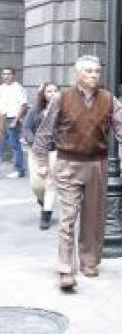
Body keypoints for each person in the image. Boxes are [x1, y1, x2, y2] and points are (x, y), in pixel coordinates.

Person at [31, 56, 122, 292]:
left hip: (97, 165)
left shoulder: (109, 100)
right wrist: (40, 160)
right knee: (68, 217)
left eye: (97, 71)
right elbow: (45, 130)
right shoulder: (62, 98)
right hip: (68, 163)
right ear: (77, 74)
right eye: (88, 71)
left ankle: (90, 261)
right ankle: (66, 268)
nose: (94, 75)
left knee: (93, 217)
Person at [22, 81, 60, 230]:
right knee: (36, 184)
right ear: (43, 94)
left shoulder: (62, 110)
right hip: (37, 151)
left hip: (55, 151)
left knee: (51, 183)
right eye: (49, 91)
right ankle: (42, 200)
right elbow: (26, 128)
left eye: (55, 91)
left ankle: (46, 215)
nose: (52, 94)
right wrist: (34, 141)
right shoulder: (36, 110)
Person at [0, 67, 28, 178]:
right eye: (4, 74)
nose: (6, 76)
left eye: (9, 74)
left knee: (14, 145)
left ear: (13, 75)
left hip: (12, 119)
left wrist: (16, 120)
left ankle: (19, 170)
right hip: (2, 118)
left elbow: (23, 105)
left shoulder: (18, 88)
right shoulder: (1, 88)